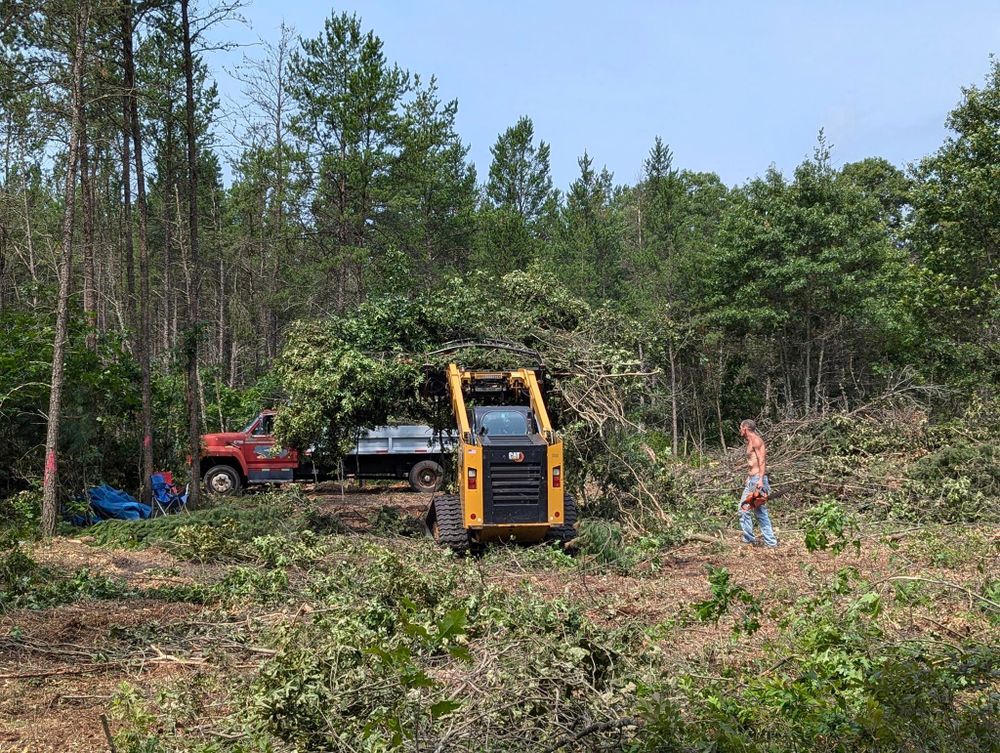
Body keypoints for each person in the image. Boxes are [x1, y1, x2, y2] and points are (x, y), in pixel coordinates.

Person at [738, 419, 778, 547]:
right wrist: (749, 478)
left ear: (745, 428)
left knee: (752, 510)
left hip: (758, 480)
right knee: (749, 509)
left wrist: (760, 479)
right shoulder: (749, 441)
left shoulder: (756, 441)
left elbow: (762, 461)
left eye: (740, 427)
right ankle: (755, 539)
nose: (740, 430)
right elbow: (753, 462)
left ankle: (765, 541)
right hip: (752, 479)